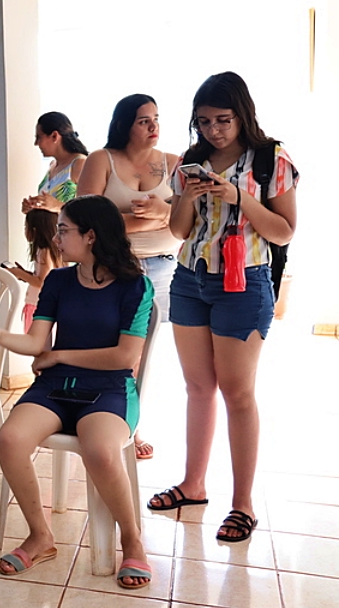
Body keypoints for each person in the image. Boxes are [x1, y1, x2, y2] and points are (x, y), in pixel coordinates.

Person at [149, 72, 297, 544]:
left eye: (223, 120)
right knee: (197, 387)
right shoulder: (191, 163)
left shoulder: (271, 159)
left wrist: (239, 197)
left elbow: (284, 231)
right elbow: (177, 231)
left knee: (237, 393)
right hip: (191, 279)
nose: (214, 130)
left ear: (242, 114)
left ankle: (243, 504)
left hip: (244, 281)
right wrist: (187, 199)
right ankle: (193, 485)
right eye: (204, 121)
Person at [0, 195, 153, 589]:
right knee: (10, 439)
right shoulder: (58, 280)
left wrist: (60, 355)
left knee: (100, 451)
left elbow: (124, 355)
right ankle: (40, 536)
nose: (57, 238)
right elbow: (37, 342)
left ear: (90, 236)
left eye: (63, 229)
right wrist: (1, 336)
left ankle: (132, 539)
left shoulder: (134, 286)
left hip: (109, 389)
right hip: (56, 388)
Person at [76, 94, 181, 461]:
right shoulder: (101, 159)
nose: (153, 127)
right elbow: (84, 216)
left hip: (165, 266)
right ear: (124, 125)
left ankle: (129, 423)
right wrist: (151, 217)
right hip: (116, 267)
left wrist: (163, 212)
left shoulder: (172, 163)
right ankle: (110, 421)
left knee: (145, 354)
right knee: (117, 353)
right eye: (143, 121)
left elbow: (190, 215)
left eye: (156, 118)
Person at [6, 209, 64, 332]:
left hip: (37, 305)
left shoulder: (44, 251)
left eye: (25, 226)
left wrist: (18, 273)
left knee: (34, 342)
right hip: (39, 304)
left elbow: (42, 282)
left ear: (34, 229)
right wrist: (25, 274)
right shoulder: (51, 251)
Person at [21, 111, 88, 214]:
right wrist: (32, 208)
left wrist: (57, 206)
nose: (36, 143)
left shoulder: (80, 164)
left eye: (39, 137)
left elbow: (91, 210)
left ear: (54, 136)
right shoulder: (52, 165)